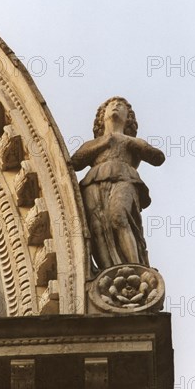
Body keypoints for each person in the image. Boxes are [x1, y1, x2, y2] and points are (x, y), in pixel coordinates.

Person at [71, 97, 165, 269]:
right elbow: (75, 163)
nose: (115, 107)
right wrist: (104, 143)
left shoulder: (131, 142)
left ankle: (135, 267)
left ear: (128, 117)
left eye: (121, 106)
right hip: (93, 182)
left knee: (118, 216)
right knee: (97, 227)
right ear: (102, 116)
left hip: (124, 178)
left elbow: (158, 158)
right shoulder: (92, 144)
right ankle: (108, 272)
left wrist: (133, 143)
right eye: (110, 105)